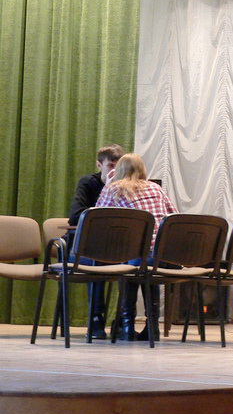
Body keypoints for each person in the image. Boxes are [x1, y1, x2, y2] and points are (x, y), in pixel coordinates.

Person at [95, 153, 177, 341]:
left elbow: (97, 217)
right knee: (146, 269)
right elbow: (174, 215)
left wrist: (107, 186)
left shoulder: (114, 189)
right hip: (160, 255)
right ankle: (153, 327)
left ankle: (127, 325)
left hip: (133, 255)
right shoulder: (156, 188)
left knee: (129, 265)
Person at [67, 143, 125, 339]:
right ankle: (96, 320)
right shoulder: (88, 183)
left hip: (115, 247)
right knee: (97, 258)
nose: (115, 171)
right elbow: (75, 217)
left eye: (119, 166)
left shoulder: (128, 186)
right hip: (83, 247)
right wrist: (107, 190)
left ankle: (123, 322)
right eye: (111, 166)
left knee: (137, 261)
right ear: (99, 165)